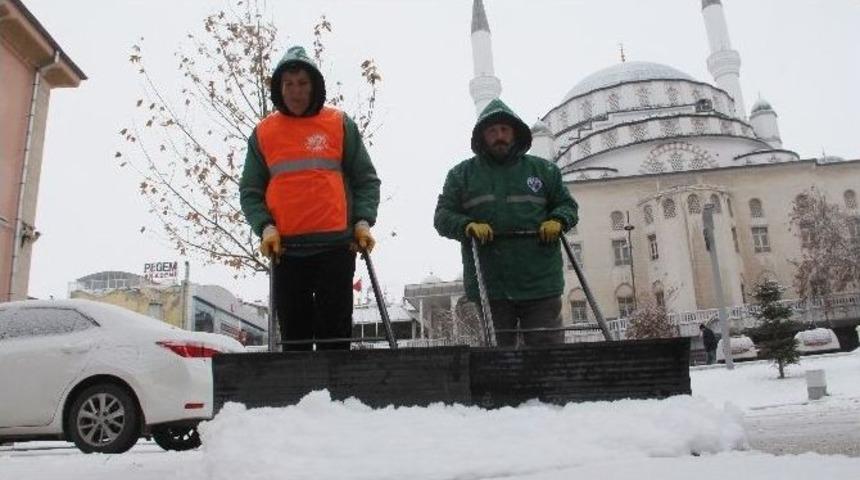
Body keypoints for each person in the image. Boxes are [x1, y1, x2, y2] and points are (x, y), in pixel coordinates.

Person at [240, 46, 380, 351]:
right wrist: (265, 227)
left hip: (336, 247)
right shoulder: (264, 133)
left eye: (302, 83)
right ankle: (299, 384)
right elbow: (250, 191)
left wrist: (362, 221)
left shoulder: (339, 124)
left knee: (335, 336)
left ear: (314, 85)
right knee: (295, 337)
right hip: (286, 250)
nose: (296, 91)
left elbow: (365, 179)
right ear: (279, 88)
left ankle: (338, 383)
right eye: (288, 84)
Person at [434, 98, 578, 347]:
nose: (499, 136)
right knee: (499, 355)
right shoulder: (462, 175)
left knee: (547, 351)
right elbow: (443, 216)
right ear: (482, 136)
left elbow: (567, 205)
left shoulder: (543, 171)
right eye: (492, 131)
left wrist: (558, 219)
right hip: (491, 284)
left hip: (540, 281)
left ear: (515, 133)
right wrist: (467, 225)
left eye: (504, 129)